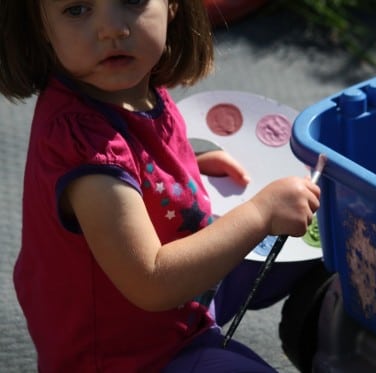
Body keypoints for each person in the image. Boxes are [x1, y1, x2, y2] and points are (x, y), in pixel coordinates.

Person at [0, 0, 321, 371]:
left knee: (324, 230)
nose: (112, 30)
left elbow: (132, 174)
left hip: (178, 303)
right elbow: (152, 282)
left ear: (172, 5)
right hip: (131, 356)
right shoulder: (84, 147)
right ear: (41, 27)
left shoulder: (134, 85)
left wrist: (188, 173)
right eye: (77, 9)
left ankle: (338, 313)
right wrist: (261, 212)